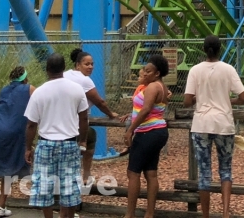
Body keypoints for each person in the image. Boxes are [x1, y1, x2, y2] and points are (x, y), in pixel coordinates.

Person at [183, 35, 244, 218]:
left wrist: (201, 96)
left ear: (204, 49)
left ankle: (205, 214)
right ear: (220, 49)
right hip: (224, 123)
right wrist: (228, 99)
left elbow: (187, 101)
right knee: (225, 170)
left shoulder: (195, 70)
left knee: (204, 172)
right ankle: (225, 213)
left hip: (202, 124)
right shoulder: (228, 69)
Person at [24, 53, 89, 218]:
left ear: (47, 70)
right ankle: (66, 216)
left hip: (46, 144)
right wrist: (82, 140)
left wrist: (28, 147)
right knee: (70, 185)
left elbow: (31, 124)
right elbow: (84, 118)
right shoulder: (77, 89)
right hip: (69, 143)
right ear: (63, 68)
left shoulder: (39, 92)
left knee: (44, 185)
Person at [65, 47, 124, 182]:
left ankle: (71, 175)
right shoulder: (85, 80)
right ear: (78, 65)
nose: (90, 67)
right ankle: (86, 174)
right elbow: (100, 102)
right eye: (87, 64)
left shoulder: (66, 74)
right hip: (76, 123)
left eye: (92, 64)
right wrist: (110, 114)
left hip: (63, 120)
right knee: (90, 137)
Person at [0, 66, 33, 217]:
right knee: (9, 167)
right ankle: (1, 205)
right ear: (25, 78)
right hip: (14, 131)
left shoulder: (4, 90)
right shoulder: (30, 89)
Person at [124, 54, 170, 218]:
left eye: (149, 71)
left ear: (157, 73)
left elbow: (146, 109)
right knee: (151, 173)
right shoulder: (162, 87)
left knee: (133, 172)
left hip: (147, 132)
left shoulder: (152, 87)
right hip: (158, 132)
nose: (145, 73)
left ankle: (129, 214)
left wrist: (130, 130)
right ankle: (149, 213)